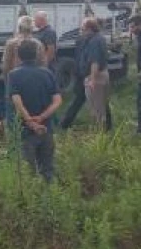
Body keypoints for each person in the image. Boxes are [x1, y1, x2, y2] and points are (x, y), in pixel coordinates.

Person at [8, 39, 62, 182]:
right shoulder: (48, 73)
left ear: (19, 56)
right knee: (48, 169)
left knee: (27, 172)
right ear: (37, 54)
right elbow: (57, 101)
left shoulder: (14, 75)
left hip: (26, 131)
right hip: (46, 128)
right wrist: (42, 117)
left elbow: (17, 101)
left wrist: (30, 121)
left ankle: (31, 201)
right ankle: (49, 199)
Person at [58, 17, 112, 131]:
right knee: (97, 102)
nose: (80, 31)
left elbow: (95, 61)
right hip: (85, 75)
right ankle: (105, 128)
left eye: (82, 28)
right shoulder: (88, 39)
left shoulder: (95, 41)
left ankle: (102, 132)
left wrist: (92, 79)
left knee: (97, 106)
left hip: (94, 76)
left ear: (89, 29)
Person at [33, 10, 59, 76]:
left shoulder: (49, 32)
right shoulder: (41, 31)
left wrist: (44, 66)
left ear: (41, 20)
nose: (34, 22)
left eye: (35, 19)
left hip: (47, 68)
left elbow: (50, 52)